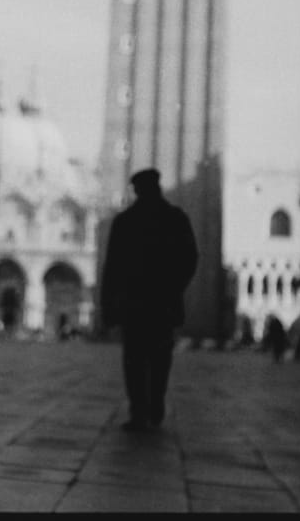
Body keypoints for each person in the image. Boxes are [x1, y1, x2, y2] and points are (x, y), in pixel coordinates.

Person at [100, 168, 199, 432]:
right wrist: (174, 287)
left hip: (134, 304)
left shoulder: (125, 222)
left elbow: (112, 269)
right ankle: (155, 403)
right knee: (159, 359)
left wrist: (109, 306)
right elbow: (190, 259)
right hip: (163, 305)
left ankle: (139, 411)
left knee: (134, 359)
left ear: (138, 190)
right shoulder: (176, 218)